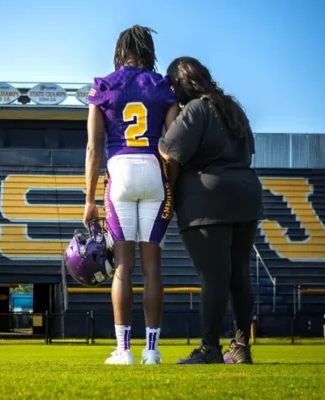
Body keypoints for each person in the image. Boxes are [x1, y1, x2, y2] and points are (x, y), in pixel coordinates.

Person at [158, 56, 264, 364]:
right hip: (245, 192)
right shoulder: (233, 109)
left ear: (182, 84)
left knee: (214, 277)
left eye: (171, 82)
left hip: (206, 198)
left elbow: (168, 153)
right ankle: (241, 347)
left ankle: (209, 348)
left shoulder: (195, 109)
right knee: (239, 274)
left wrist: (170, 194)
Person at [84, 25, 180, 365]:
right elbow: (173, 143)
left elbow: (94, 147)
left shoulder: (104, 85)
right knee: (153, 268)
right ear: (148, 50)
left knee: (124, 266)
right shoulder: (162, 86)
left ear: (119, 50)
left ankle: (123, 350)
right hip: (154, 168)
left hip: (120, 169)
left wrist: (89, 199)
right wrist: (170, 184)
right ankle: (151, 351)